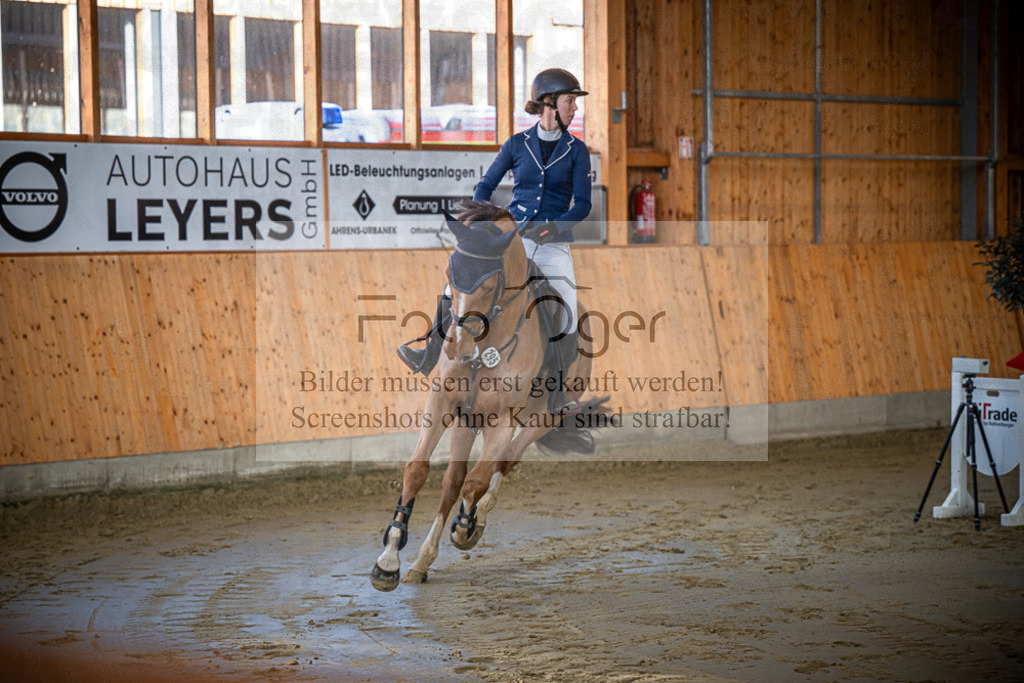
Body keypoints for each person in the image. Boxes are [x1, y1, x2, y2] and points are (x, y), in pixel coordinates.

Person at [398, 68, 591, 413]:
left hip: (552, 245)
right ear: (549, 103)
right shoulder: (517, 144)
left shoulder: (577, 150)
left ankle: (557, 389)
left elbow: (585, 204)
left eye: (574, 102)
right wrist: (480, 220)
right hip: (511, 239)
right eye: (570, 101)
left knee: (567, 310)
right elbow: (485, 186)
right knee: (458, 287)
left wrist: (555, 226)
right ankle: (428, 352)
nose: (575, 108)